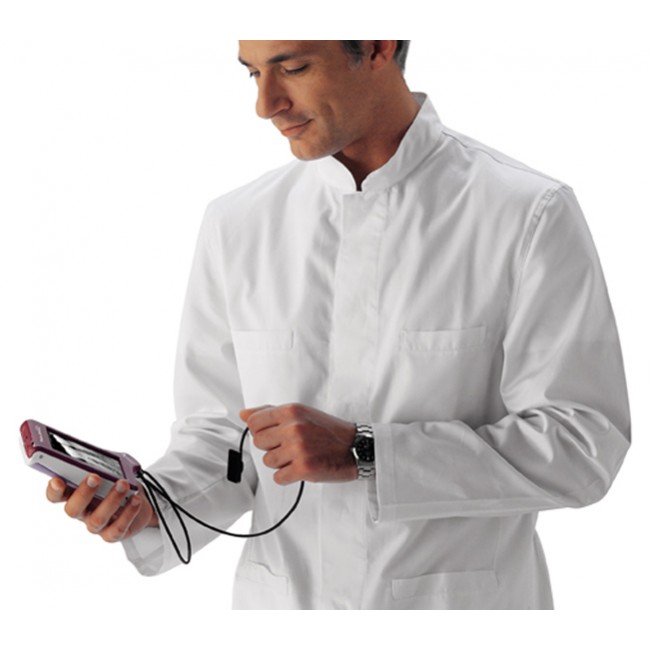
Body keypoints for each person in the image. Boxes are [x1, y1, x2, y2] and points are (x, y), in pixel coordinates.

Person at [46, 40, 631, 609]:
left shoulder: (525, 213)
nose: (266, 104)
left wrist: (367, 452)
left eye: (294, 67)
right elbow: (226, 439)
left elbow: (583, 445)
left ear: (378, 46)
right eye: (253, 73)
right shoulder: (238, 223)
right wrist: (152, 505)